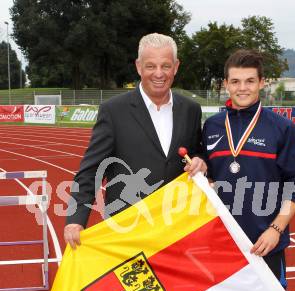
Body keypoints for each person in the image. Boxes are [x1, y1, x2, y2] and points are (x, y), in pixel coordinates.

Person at [202, 49, 295, 291]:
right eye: (235, 81)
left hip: (266, 238)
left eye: (250, 81)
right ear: (225, 84)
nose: (243, 88)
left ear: (262, 83)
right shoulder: (213, 126)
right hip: (227, 239)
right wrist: (201, 168)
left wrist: (277, 229)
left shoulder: (283, 128)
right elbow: (207, 172)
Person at [64, 33, 206, 248]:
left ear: (176, 67)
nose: (159, 73)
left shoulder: (191, 110)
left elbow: (196, 152)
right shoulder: (113, 111)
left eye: (165, 66)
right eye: (151, 66)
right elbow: (91, 169)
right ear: (139, 67)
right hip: (128, 229)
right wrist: (75, 220)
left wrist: (200, 161)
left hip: (177, 226)